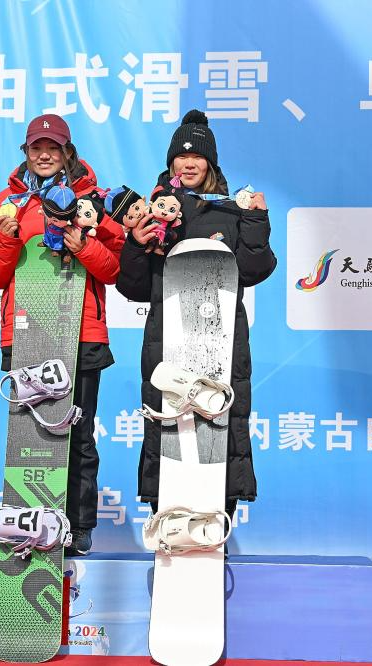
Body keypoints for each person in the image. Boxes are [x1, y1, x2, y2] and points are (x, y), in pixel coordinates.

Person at [116, 110, 277, 526]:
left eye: (197, 157)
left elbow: (254, 270)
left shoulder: (231, 211)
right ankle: (166, 521)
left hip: (222, 339)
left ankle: (216, 522)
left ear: (211, 163)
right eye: (181, 157)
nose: (188, 164)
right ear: (170, 162)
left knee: (221, 420)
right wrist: (135, 245)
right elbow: (133, 287)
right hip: (166, 337)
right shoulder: (152, 212)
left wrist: (256, 221)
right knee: (167, 424)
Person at [0, 113, 125, 556]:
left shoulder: (92, 201)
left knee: (77, 433)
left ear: (68, 152)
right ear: (25, 153)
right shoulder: (8, 203)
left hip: (81, 331)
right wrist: (7, 239)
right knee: (29, 436)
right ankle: (28, 525)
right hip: (24, 330)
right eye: (36, 148)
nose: (44, 155)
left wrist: (84, 244)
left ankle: (78, 526)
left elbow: (114, 269)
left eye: (53, 147)